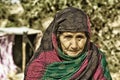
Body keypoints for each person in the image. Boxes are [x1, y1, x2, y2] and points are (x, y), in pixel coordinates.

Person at [24, 7, 112, 80]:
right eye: (68, 37)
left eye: (80, 37)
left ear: (87, 38)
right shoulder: (39, 67)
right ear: (57, 38)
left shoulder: (95, 58)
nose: (74, 45)